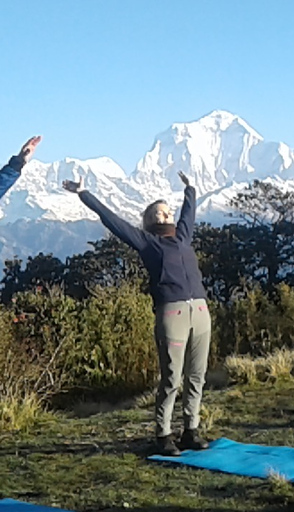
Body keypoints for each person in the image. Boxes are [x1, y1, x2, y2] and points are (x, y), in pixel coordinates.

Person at [63, 171, 211, 456]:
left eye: (166, 211)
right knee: (171, 377)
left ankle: (191, 430)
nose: (164, 215)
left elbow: (189, 213)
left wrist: (190, 188)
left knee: (197, 375)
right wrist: (84, 194)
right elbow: (113, 222)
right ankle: (163, 434)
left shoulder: (183, 236)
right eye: (157, 213)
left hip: (201, 310)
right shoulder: (146, 242)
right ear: (148, 221)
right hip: (173, 312)